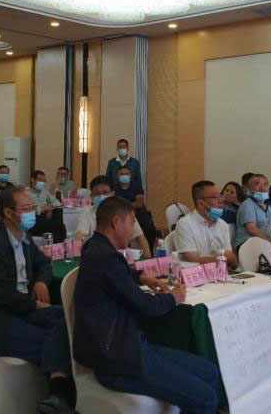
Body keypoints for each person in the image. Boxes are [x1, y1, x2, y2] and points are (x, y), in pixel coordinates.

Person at [74, 196, 219, 413]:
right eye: (132, 222)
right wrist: (174, 297)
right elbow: (145, 306)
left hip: (131, 347)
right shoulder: (104, 257)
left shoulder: (96, 247)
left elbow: (116, 276)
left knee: (209, 372)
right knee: (206, 399)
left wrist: (140, 277)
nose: (133, 229)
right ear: (116, 222)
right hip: (118, 360)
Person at [0, 185, 76, 414]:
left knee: (67, 319)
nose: (32, 213)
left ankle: (57, 396)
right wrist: (34, 304)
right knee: (54, 340)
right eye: (26, 209)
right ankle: (60, 394)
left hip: (20, 309)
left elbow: (43, 263)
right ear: (8, 213)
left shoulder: (23, 236)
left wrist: (40, 282)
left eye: (32, 207)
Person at [76, 175, 151, 257]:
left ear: (112, 193)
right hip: (94, 256)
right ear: (91, 196)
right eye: (97, 193)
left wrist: (149, 260)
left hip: (120, 257)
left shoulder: (124, 212)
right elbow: (79, 236)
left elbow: (140, 238)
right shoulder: (87, 213)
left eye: (105, 192)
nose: (101, 196)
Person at [174, 181, 237, 269]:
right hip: (196, 275)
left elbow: (232, 259)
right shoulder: (185, 224)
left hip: (220, 274)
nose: (221, 200)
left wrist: (226, 259)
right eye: (215, 197)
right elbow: (194, 260)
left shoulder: (222, 224)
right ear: (201, 203)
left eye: (220, 196)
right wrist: (224, 260)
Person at [113, 166, 158, 252]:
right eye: (121, 174)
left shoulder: (136, 186)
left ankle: (149, 252)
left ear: (130, 175)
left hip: (140, 214)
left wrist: (123, 205)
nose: (124, 176)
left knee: (148, 228)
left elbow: (139, 204)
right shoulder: (115, 188)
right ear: (117, 177)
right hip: (122, 214)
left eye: (127, 174)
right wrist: (128, 205)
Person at [27, 169, 66, 241]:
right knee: (59, 227)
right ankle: (58, 242)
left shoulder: (45, 192)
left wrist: (50, 209)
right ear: (32, 180)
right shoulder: (26, 192)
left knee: (59, 211)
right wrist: (43, 209)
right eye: (40, 180)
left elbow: (57, 202)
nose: (42, 182)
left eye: (43, 181)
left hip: (45, 217)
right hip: (33, 218)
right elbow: (27, 209)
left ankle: (57, 243)